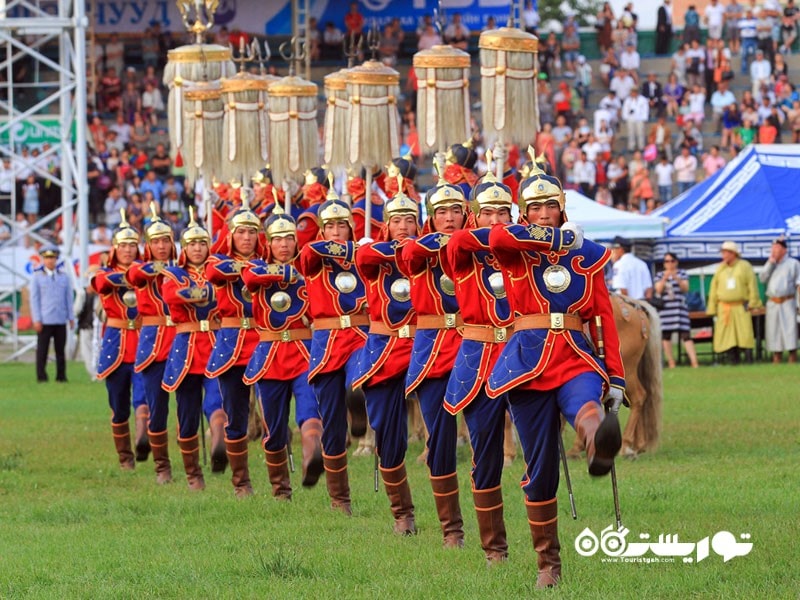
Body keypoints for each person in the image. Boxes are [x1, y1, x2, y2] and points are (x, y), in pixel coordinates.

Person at [486, 164, 623, 588]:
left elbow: (603, 315)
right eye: (536, 207)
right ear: (524, 212)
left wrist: (615, 378)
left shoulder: (588, 254)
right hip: (526, 364)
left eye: (551, 205)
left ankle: (597, 438)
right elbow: (497, 236)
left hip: (576, 354)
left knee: (584, 403)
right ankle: (549, 564)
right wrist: (554, 238)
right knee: (540, 466)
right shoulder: (515, 247)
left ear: (562, 207)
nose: (545, 213)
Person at [440, 166, 515, 564]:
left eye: (504, 213)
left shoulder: (525, 251)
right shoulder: (463, 248)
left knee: (536, 450)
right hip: (479, 360)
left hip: (523, 356)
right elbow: (456, 247)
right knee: (485, 454)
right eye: (488, 212)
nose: (497, 220)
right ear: (474, 216)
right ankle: (494, 549)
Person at [397, 176, 467, 548]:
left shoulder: (476, 246)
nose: (450, 217)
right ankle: (451, 530)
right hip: (432, 351)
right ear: (431, 218)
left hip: (473, 345)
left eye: (457, 210)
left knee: (485, 438)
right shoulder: (419, 248)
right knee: (439, 440)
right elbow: (409, 255)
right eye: (441, 212)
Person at [241, 207, 324, 499]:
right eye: (278, 239)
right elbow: (251, 280)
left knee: (310, 411)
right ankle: (280, 489)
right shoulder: (255, 269)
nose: (285, 244)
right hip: (270, 356)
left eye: (290, 238)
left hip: (303, 351)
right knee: (274, 427)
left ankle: (311, 454)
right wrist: (289, 272)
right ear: (269, 243)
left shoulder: (310, 270)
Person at [351, 182, 419, 535]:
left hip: (425, 346)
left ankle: (450, 521)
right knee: (386, 429)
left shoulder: (428, 254)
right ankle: (402, 511)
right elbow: (363, 258)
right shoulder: (372, 254)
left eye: (410, 219)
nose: (404, 226)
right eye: (397, 220)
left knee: (439, 425)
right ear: (386, 225)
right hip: (383, 349)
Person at [298, 191, 368, 516]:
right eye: (331, 226)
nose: (337, 231)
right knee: (331, 422)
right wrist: (354, 248)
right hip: (326, 341)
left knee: (356, 382)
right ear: (322, 231)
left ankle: (359, 408)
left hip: (358, 335)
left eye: (343, 225)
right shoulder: (313, 256)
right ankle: (340, 498)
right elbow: (309, 253)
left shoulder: (362, 257)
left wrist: (364, 251)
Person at [161, 210, 227, 490]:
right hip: (185, 349)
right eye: (192, 244)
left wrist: (201, 295)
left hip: (215, 345)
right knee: (186, 414)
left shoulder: (217, 270)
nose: (198, 248)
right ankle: (193, 474)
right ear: (184, 249)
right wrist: (209, 294)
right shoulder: (173, 273)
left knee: (217, 403)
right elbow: (171, 297)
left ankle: (218, 443)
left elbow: (226, 297)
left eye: (202, 243)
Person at [205, 201, 264, 497]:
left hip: (264, 339)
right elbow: (215, 274)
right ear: (231, 236)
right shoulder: (218, 261)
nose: (246, 238)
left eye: (251, 233)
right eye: (241, 232)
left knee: (273, 412)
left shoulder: (268, 262)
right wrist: (247, 267)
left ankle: (281, 481)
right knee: (235, 413)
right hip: (230, 342)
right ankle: (241, 482)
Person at [92, 212, 151, 469]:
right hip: (115, 343)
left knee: (143, 396)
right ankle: (125, 458)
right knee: (118, 404)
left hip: (142, 340)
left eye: (132, 245)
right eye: (123, 245)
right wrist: (135, 277)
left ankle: (142, 439)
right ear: (115, 248)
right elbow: (101, 283)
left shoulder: (146, 271)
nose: (128, 250)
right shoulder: (105, 272)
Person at [706, 241, 763, 364]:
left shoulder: (744, 266)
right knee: (727, 334)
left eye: (725, 252)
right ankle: (732, 359)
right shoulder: (720, 268)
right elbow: (714, 287)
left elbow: (752, 285)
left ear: (733, 253)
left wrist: (753, 302)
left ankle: (748, 358)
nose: (723, 255)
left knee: (744, 333)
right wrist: (712, 307)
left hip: (740, 306)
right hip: (724, 307)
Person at [30, 244, 74, 383]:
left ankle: (61, 376)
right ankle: (41, 376)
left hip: (60, 318)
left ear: (56, 259)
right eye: (47, 258)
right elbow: (34, 300)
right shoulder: (37, 277)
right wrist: (36, 319)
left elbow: (68, 298)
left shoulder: (64, 277)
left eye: (52, 258)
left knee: (60, 350)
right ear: (43, 259)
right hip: (45, 319)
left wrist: (71, 317)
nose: (50, 261)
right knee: (42, 350)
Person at [759, 237, 800, 363]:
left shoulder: (793, 264)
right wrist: (771, 263)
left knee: (790, 330)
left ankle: (792, 357)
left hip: (788, 301)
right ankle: (776, 357)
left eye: (776, 248)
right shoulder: (770, 263)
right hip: (773, 302)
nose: (774, 250)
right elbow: (762, 279)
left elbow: (798, 284)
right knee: (774, 331)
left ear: (783, 249)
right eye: (773, 248)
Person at [654, 253, 699, 368]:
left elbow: (686, 288)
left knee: (686, 335)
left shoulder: (682, 273)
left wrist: (675, 277)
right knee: (666, 336)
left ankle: (694, 362)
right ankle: (671, 362)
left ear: (676, 262)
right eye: (667, 261)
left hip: (679, 309)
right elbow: (658, 290)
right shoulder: (659, 275)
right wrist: (665, 278)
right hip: (666, 310)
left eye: (672, 261)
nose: (669, 263)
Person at [611, 236, 653, 300]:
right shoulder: (642, 263)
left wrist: (629, 307)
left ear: (620, 249)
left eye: (614, 249)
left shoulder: (618, 265)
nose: (612, 252)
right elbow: (649, 291)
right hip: (642, 305)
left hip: (627, 306)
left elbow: (622, 290)